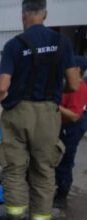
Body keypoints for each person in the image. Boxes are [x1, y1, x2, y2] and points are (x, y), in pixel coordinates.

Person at [0, 0, 80, 219]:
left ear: (23, 14)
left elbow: (2, 87)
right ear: (45, 14)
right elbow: (73, 84)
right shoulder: (63, 43)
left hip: (17, 113)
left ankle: (15, 216)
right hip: (48, 114)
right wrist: (52, 90)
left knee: (14, 169)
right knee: (44, 170)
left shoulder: (14, 45)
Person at [54, 56, 87, 208]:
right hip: (63, 126)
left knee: (65, 161)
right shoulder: (68, 85)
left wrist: (54, 105)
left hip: (71, 128)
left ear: (78, 70)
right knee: (57, 157)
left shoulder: (78, 88)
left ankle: (62, 195)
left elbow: (74, 116)